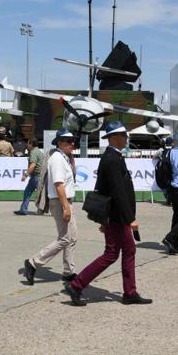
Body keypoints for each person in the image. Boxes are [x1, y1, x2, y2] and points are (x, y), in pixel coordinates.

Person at [65, 121, 152, 306]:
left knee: (125, 250)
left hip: (114, 215)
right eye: (123, 135)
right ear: (114, 137)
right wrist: (130, 219)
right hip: (118, 216)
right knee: (113, 253)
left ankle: (129, 292)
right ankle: (77, 284)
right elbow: (117, 192)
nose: (126, 138)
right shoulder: (112, 159)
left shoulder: (114, 157)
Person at [23, 129, 78, 286]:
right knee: (65, 238)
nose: (71, 144)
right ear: (59, 142)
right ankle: (33, 262)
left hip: (65, 201)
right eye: (68, 141)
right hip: (61, 201)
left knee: (72, 238)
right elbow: (58, 184)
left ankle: (68, 272)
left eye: (72, 141)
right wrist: (66, 207)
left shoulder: (64, 158)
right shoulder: (57, 159)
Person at [14, 138, 43, 215]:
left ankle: (24, 210)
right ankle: (23, 209)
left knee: (32, 193)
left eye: (28, 143)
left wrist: (25, 175)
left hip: (36, 176)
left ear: (31, 144)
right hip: (38, 176)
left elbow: (33, 165)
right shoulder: (39, 152)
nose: (27, 145)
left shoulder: (33, 153)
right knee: (33, 193)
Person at [153, 136, 174, 206]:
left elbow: (154, 156)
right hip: (171, 170)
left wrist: (159, 157)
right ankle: (171, 198)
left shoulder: (161, 150)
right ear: (172, 143)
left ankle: (167, 196)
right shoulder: (174, 150)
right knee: (171, 184)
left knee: (163, 184)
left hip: (163, 170)